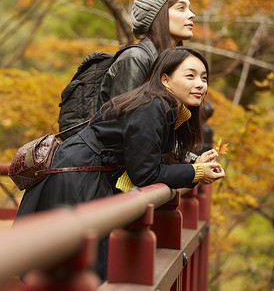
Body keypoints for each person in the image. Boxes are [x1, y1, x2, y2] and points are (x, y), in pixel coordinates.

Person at [16, 47, 225, 281]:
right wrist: (196, 172)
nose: (200, 84)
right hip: (79, 176)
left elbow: (148, 158)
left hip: (84, 171)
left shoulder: (164, 107)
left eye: (204, 78)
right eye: (190, 76)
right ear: (165, 79)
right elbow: (145, 174)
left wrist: (196, 164)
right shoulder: (152, 107)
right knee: (72, 265)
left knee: (72, 262)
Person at [100, 0, 195, 101]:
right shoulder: (136, 59)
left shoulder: (175, 63)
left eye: (189, 8)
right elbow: (125, 116)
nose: (192, 15)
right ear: (159, 15)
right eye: (181, 8)